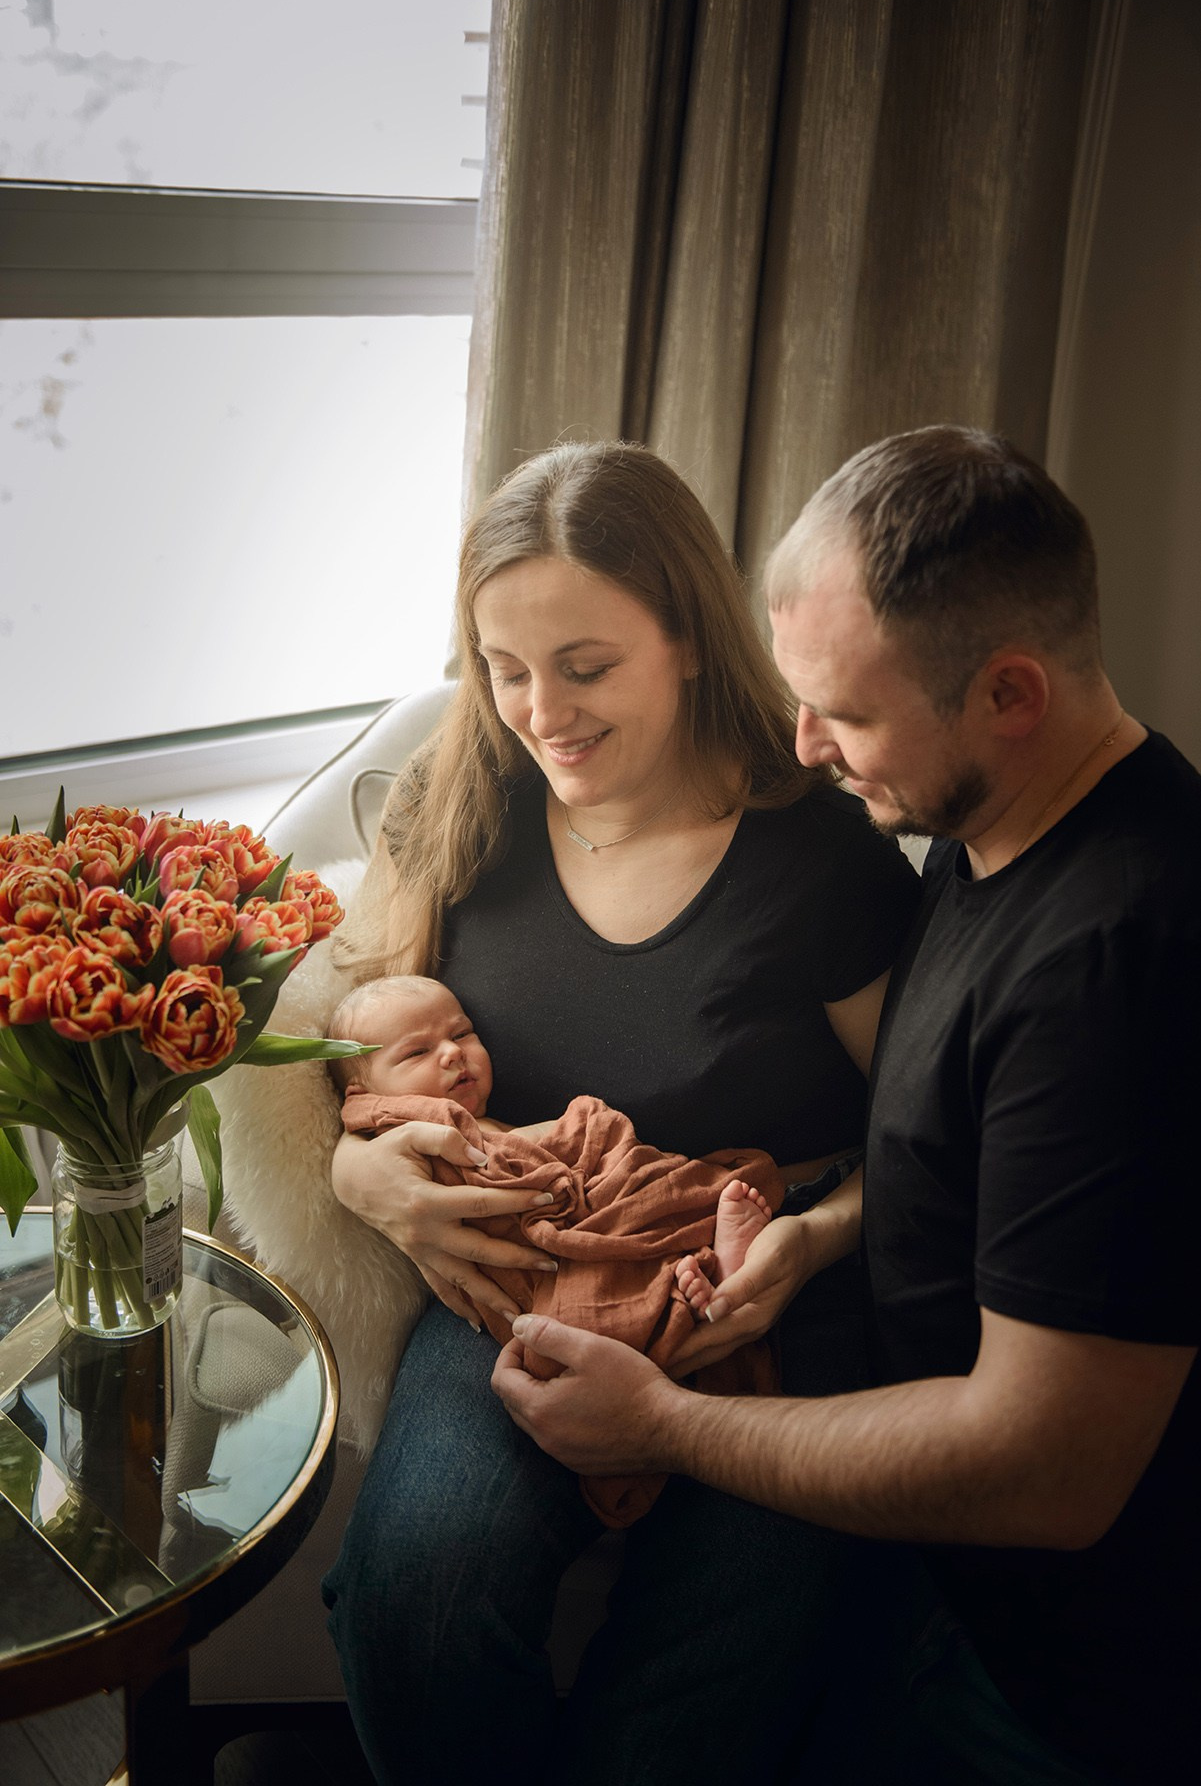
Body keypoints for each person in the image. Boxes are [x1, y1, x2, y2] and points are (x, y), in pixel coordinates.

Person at [492, 426, 1201, 1786]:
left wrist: (658, 1426)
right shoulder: (993, 834)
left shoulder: (1124, 966)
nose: (807, 749)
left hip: (1057, 1681)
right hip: (936, 1578)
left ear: (1009, 693)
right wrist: (810, 1237)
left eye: (849, 716)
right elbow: (949, 1166)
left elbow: (1045, 1469)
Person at [319, 439, 922, 1786]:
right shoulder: (459, 805)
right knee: (419, 1596)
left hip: (759, 1286)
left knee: (724, 1653)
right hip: (520, 1275)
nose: (543, 712)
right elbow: (351, 1038)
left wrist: (813, 1244)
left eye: (585, 668)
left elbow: (926, 1143)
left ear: (693, 640)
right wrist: (364, 1181)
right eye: (505, 669)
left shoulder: (818, 858)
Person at [326, 970, 783, 1525]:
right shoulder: (406, 1126)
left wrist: (582, 1136)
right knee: (575, 1321)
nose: (453, 1052)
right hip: (538, 1268)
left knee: (640, 1175)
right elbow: (376, 1124)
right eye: (417, 1050)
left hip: (591, 1206)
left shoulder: (487, 1120)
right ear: (368, 1092)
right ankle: (691, 1287)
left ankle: (700, 1265)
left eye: (463, 1033)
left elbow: (563, 1150)